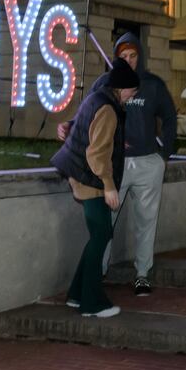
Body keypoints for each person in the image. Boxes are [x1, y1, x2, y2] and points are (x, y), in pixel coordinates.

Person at [59, 34, 177, 296]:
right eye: (123, 57)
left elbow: (170, 116)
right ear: (116, 58)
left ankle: (142, 274)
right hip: (116, 165)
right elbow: (87, 112)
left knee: (147, 220)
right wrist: (69, 125)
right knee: (106, 220)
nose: (129, 61)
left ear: (140, 56)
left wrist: (164, 155)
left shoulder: (153, 85)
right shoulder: (105, 83)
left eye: (133, 56)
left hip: (148, 162)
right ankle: (99, 270)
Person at [52, 58, 139, 318]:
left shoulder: (97, 98)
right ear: (122, 89)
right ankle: (92, 303)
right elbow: (96, 154)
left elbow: (89, 135)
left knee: (98, 236)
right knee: (102, 235)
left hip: (81, 174)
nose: (133, 97)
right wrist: (110, 187)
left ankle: (77, 295)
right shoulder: (109, 110)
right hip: (89, 178)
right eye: (132, 93)